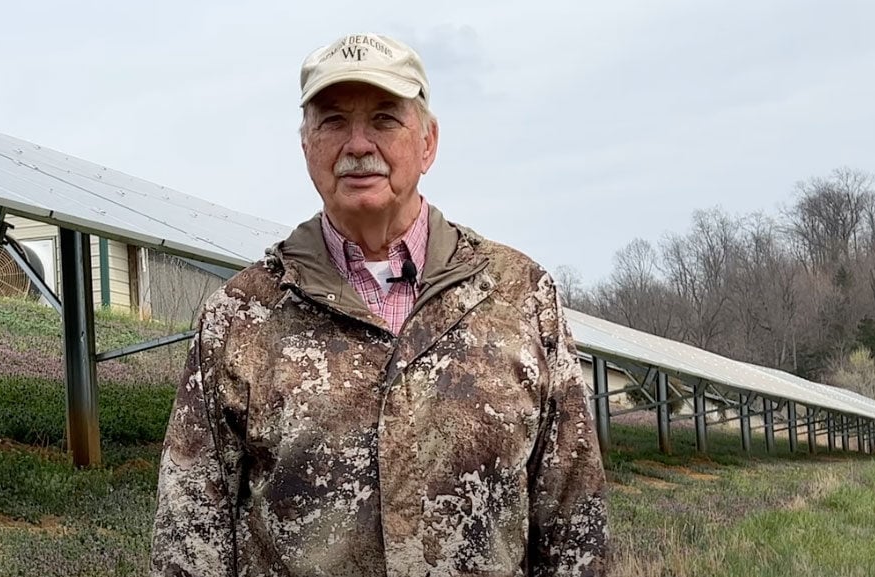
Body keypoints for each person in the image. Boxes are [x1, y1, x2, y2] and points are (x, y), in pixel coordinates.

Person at [150, 32, 608, 577]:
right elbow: (190, 535)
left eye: (385, 119)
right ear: (306, 146)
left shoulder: (520, 297)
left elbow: (573, 521)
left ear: (428, 142)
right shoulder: (241, 316)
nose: (359, 144)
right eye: (333, 121)